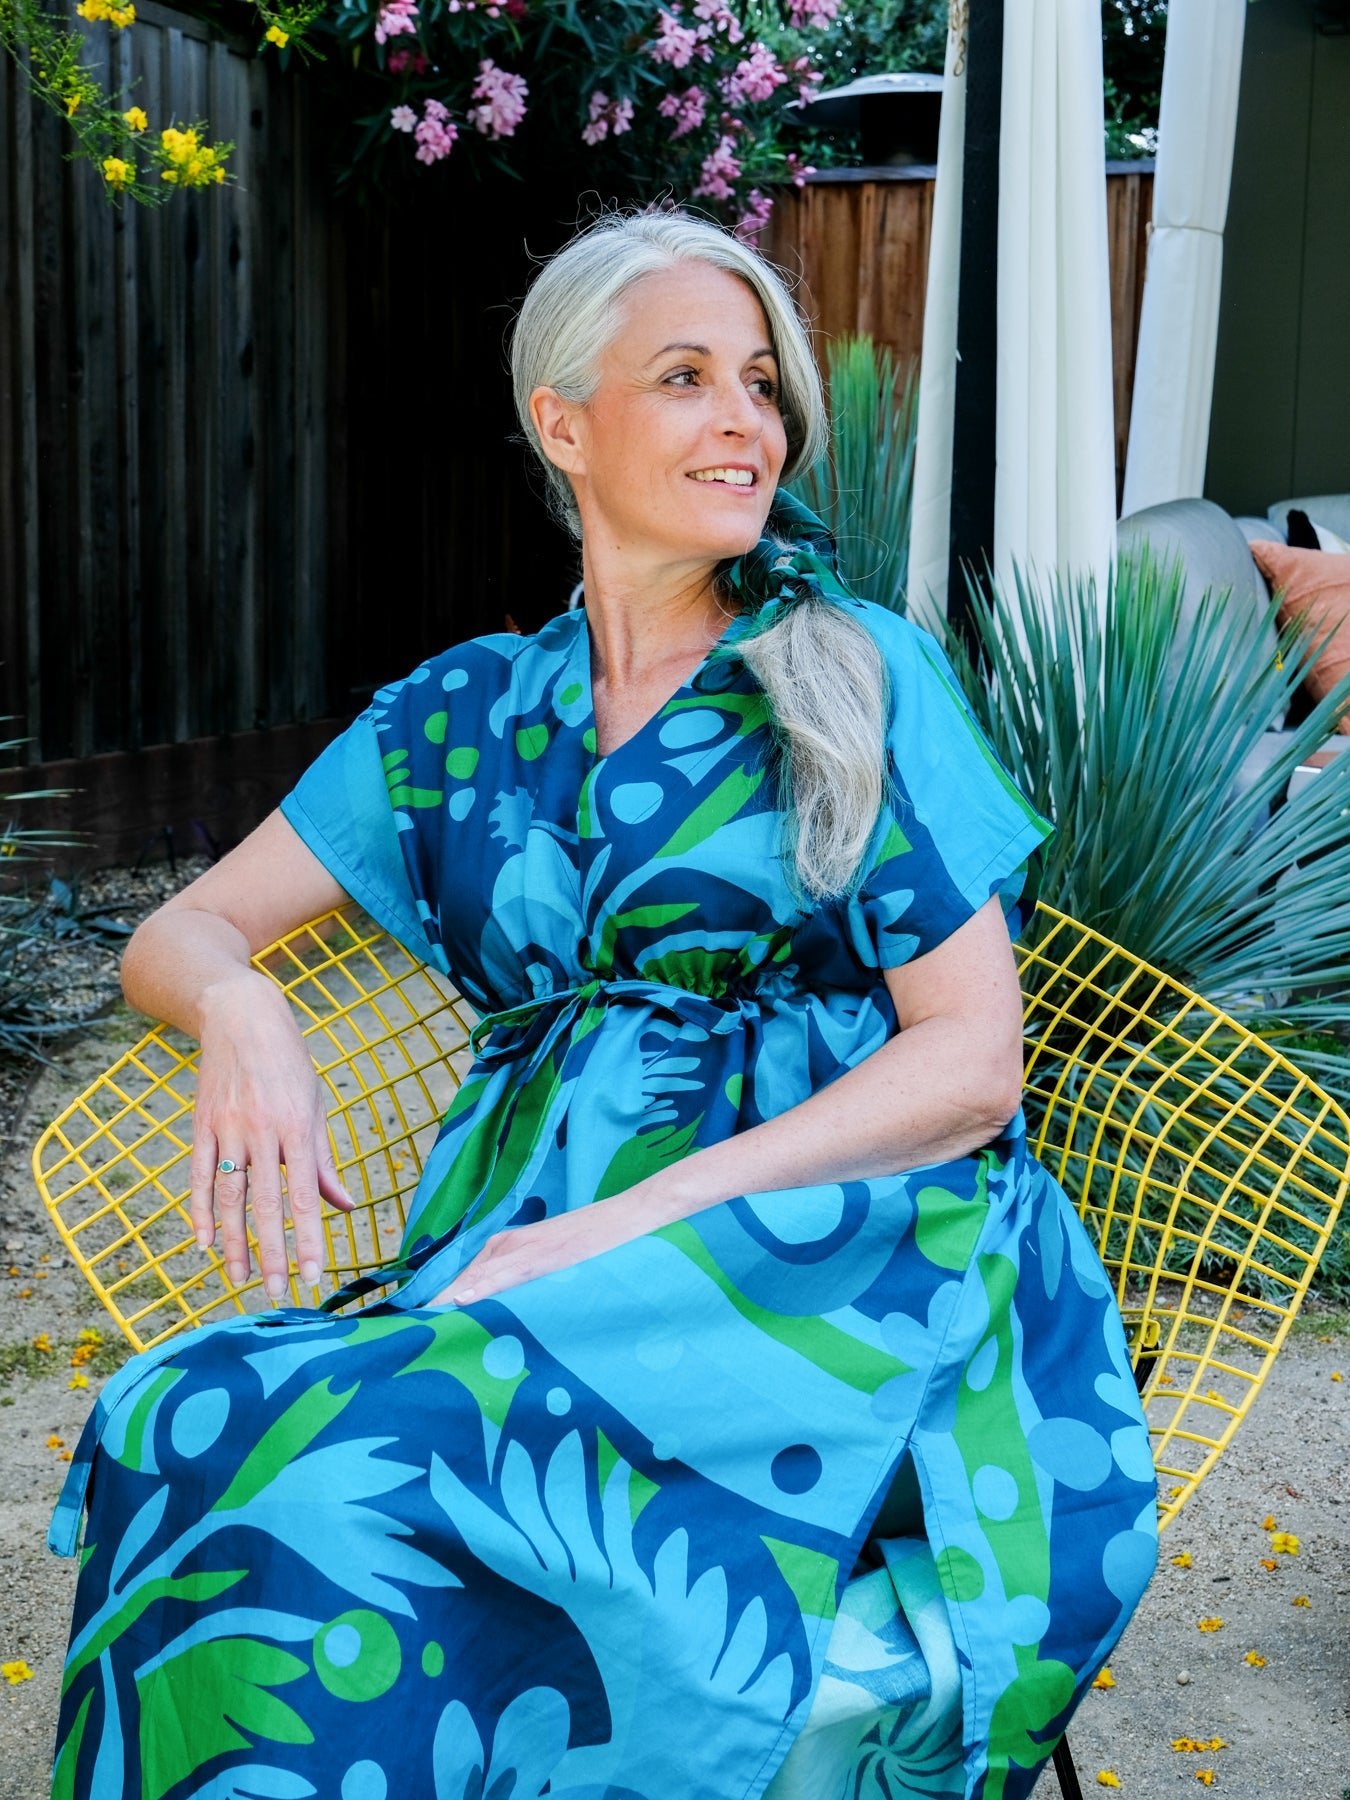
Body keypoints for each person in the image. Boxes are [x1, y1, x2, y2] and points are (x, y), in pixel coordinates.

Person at [49, 204, 1157, 1800]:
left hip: (829, 1263)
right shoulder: (464, 714)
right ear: (563, 425)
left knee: (326, 1475)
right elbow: (187, 928)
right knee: (179, 1414)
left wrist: (619, 1227)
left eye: (759, 382)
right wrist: (243, 1011)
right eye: (686, 377)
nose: (744, 420)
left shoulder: (851, 676)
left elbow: (973, 1066)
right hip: (531, 1269)